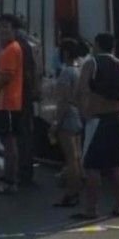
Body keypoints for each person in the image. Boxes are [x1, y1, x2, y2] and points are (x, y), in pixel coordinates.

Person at [74, 32, 119, 220]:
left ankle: (91, 208)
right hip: (117, 118)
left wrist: (84, 113)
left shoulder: (92, 63)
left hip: (97, 120)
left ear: (97, 45)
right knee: (118, 163)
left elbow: (81, 91)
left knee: (92, 166)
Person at [0, 14, 23, 196]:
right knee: (6, 142)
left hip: (9, 102)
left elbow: (5, 76)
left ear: (14, 30)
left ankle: (10, 180)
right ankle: (7, 178)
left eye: (6, 27)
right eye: (0, 26)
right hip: (8, 103)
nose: (2, 30)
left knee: (9, 144)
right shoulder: (8, 49)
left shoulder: (11, 49)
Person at [51, 37, 85, 208]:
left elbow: (63, 100)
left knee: (70, 158)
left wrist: (56, 122)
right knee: (77, 157)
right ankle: (76, 190)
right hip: (78, 114)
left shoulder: (66, 72)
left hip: (68, 116)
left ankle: (72, 193)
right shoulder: (80, 69)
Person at [14, 16, 39, 187]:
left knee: (20, 136)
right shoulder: (29, 42)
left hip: (20, 94)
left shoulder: (18, 45)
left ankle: (23, 174)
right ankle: (26, 172)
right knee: (25, 135)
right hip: (26, 93)